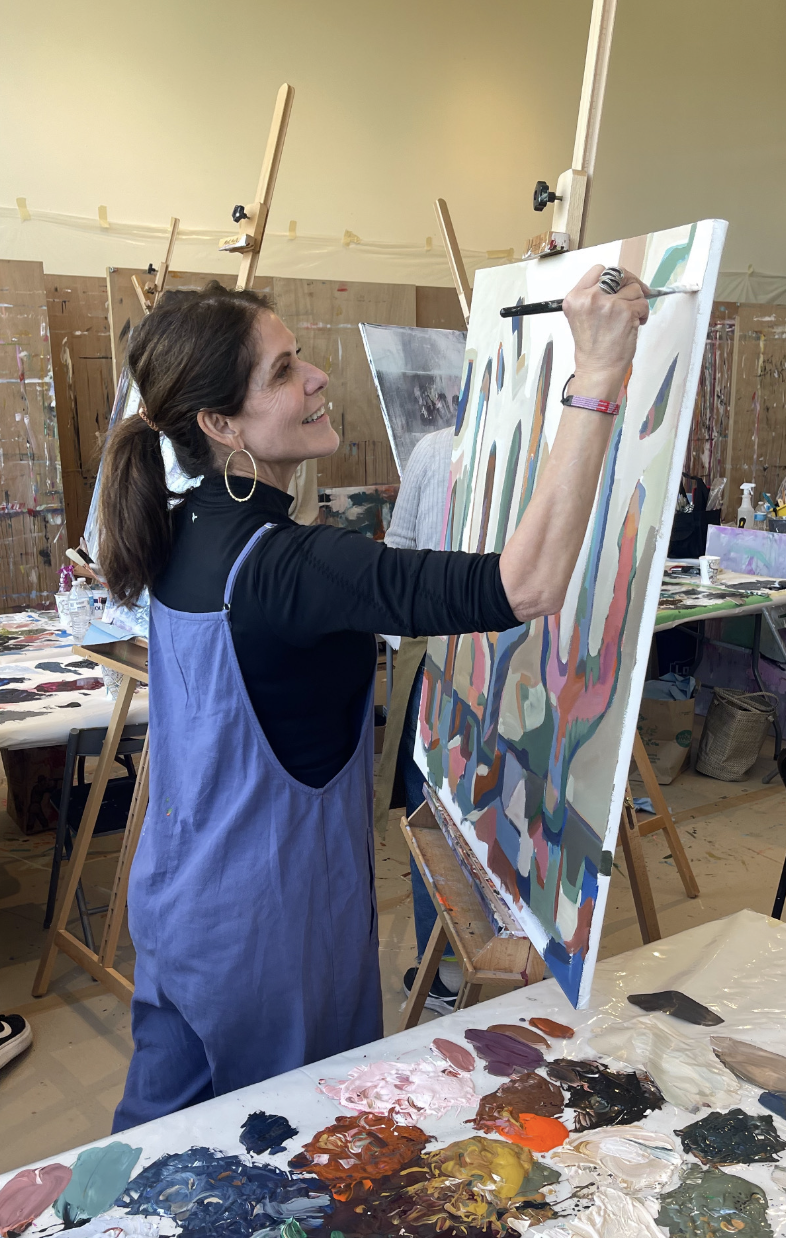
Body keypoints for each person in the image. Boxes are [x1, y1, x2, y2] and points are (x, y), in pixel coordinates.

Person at [99, 268, 649, 1130]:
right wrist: (600, 374)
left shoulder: (181, 530)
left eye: (300, 356)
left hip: (178, 904)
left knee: (156, 1143)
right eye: (284, 371)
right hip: (270, 935)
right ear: (219, 425)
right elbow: (531, 583)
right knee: (288, 1153)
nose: (318, 377)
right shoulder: (295, 568)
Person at [376, 426, 460, 1012]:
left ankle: (448, 966)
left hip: (457, 658)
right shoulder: (435, 449)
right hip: (444, 659)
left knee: (438, 813)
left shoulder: (435, 448)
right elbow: (398, 554)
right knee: (437, 810)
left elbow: (397, 560)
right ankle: (450, 962)